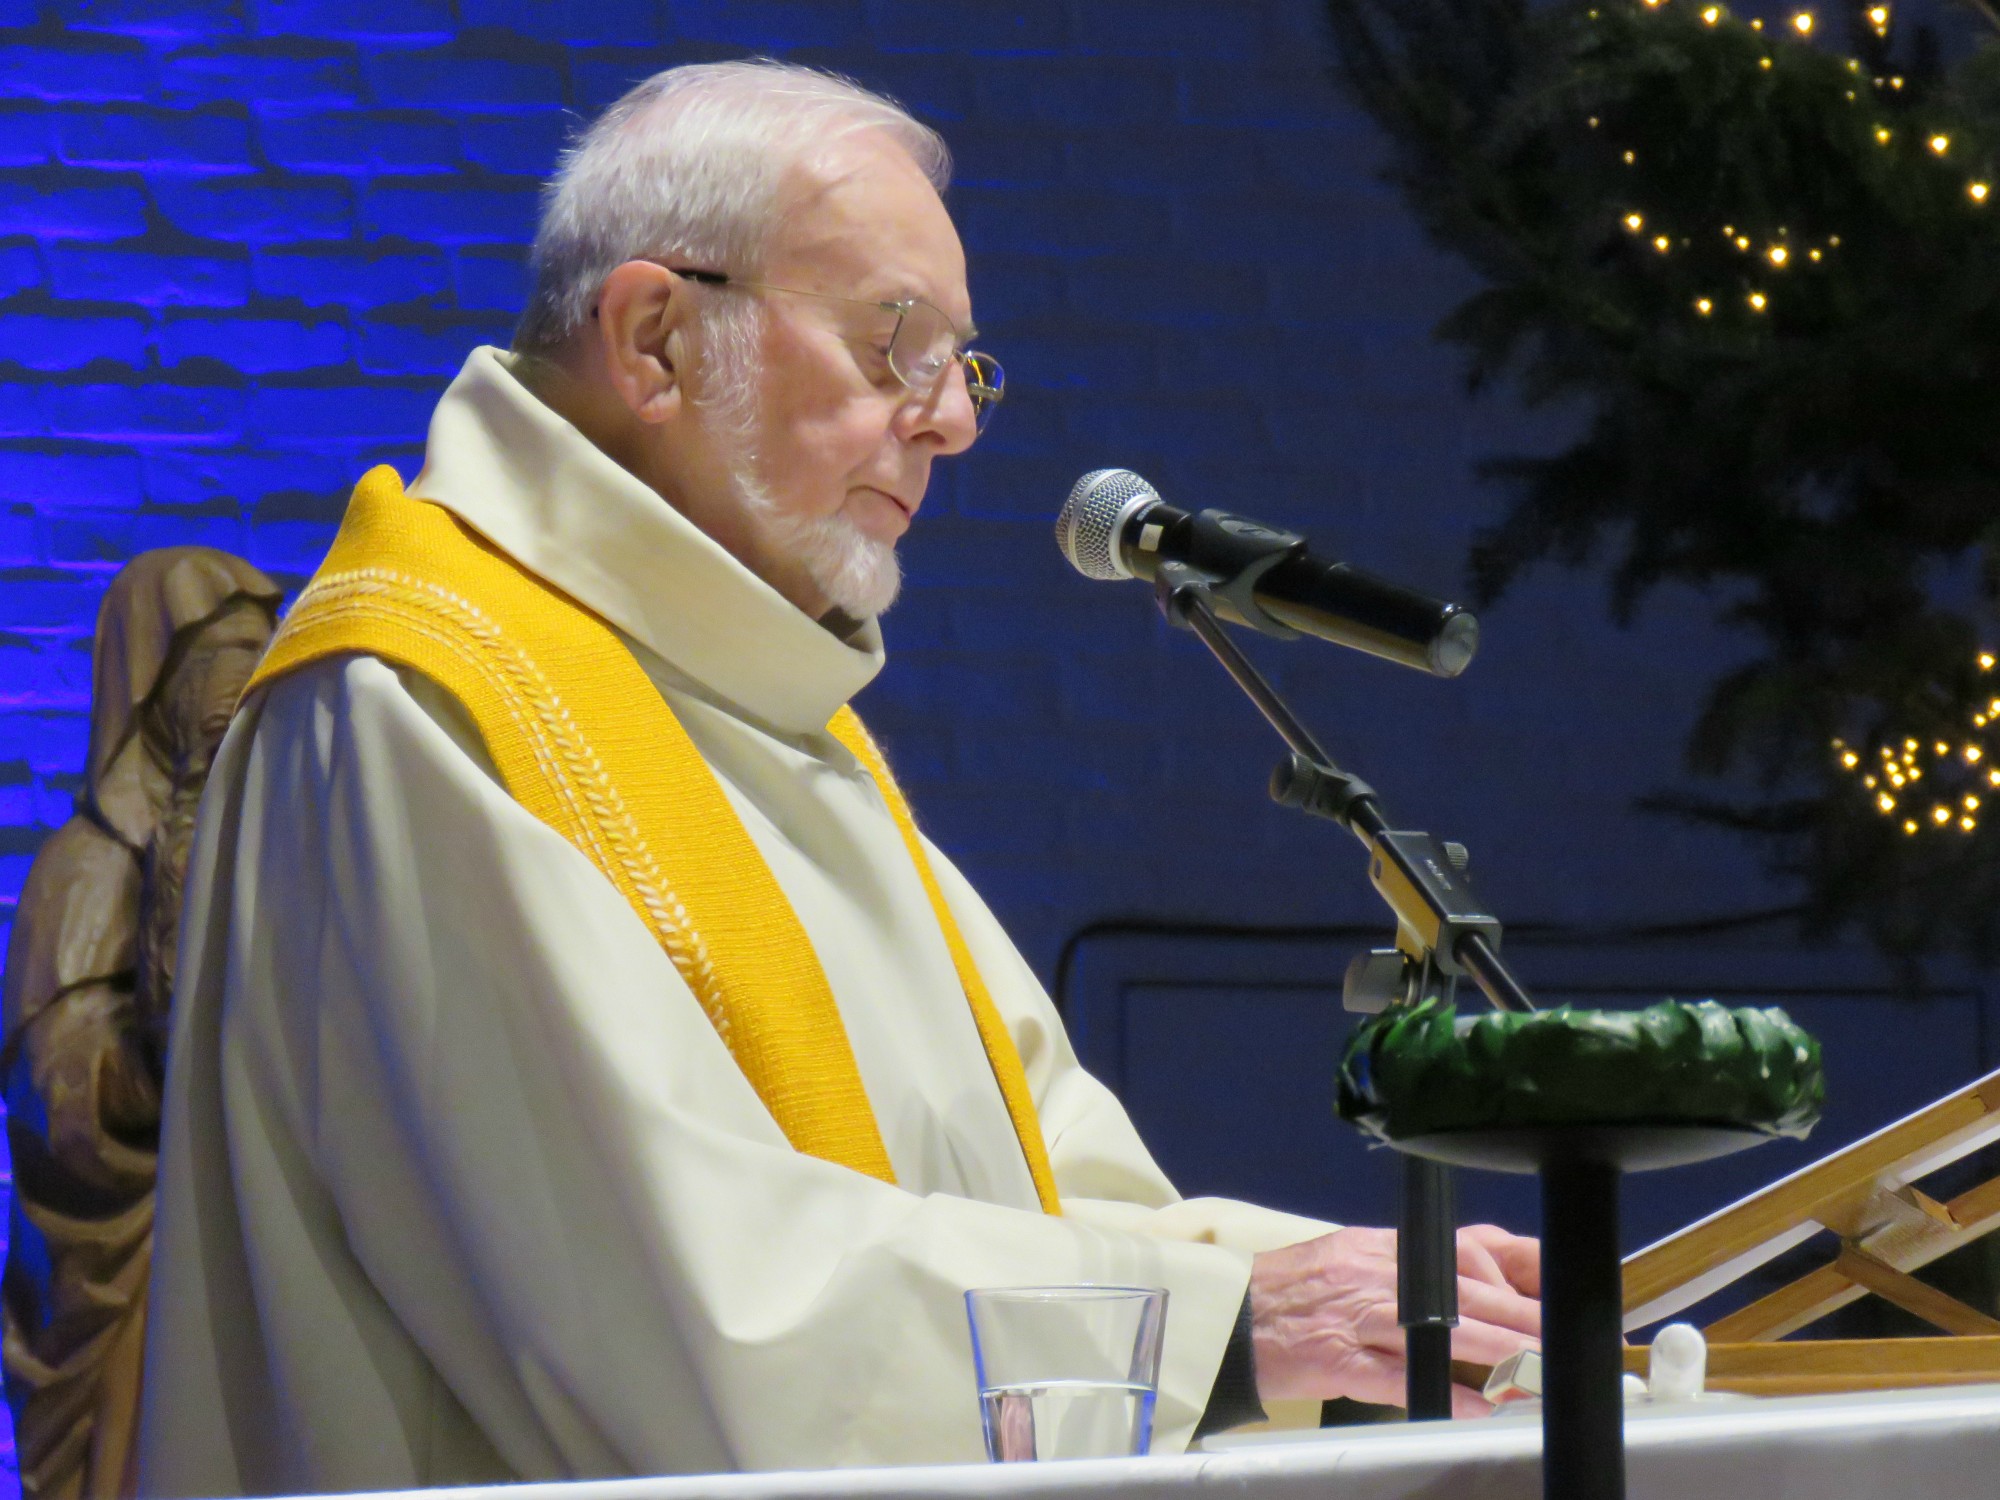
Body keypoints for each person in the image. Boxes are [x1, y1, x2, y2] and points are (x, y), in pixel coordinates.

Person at [135, 60, 1540, 1497]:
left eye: (964, 364)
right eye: (896, 345)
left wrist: (1373, 1309)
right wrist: (1245, 1329)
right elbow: (680, 1310)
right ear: (658, 337)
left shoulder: (770, 709)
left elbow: (1056, 1194)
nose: (954, 422)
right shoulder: (419, 706)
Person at [3, 550, 279, 1500]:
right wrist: (167, 1055)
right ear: (153, 680)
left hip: (243, 1252)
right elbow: (61, 1103)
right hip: (132, 1281)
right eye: (214, 658)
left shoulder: (258, 852)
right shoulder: (83, 872)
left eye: (256, 652)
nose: (240, 681)